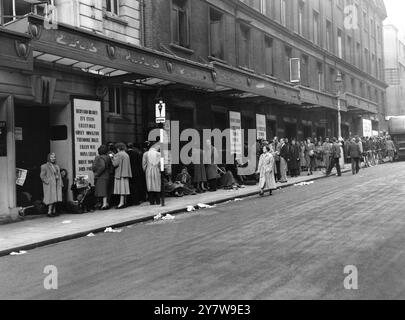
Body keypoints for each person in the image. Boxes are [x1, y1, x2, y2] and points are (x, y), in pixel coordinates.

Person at [40, 153, 63, 217]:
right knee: (51, 199)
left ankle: (54, 211)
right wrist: (47, 181)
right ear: (49, 158)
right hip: (50, 185)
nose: (53, 158)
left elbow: (59, 175)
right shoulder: (44, 166)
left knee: (56, 199)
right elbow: (42, 176)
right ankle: (49, 212)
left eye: (54, 157)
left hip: (56, 184)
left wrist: (60, 183)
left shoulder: (57, 166)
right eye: (51, 157)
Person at [112, 142, 132, 209]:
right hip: (126, 173)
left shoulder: (118, 154)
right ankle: (124, 202)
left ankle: (121, 203)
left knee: (121, 189)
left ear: (118, 148)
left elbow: (115, 164)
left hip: (120, 174)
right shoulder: (126, 154)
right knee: (125, 189)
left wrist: (112, 158)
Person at [92, 145, 112, 210]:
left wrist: (97, 173)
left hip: (102, 176)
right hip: (107, 175)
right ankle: (106, 203)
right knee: (106, 190)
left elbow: (102, 166)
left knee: (102, 191)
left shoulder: (100, 158)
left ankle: (104, 204)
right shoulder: (108, 157)